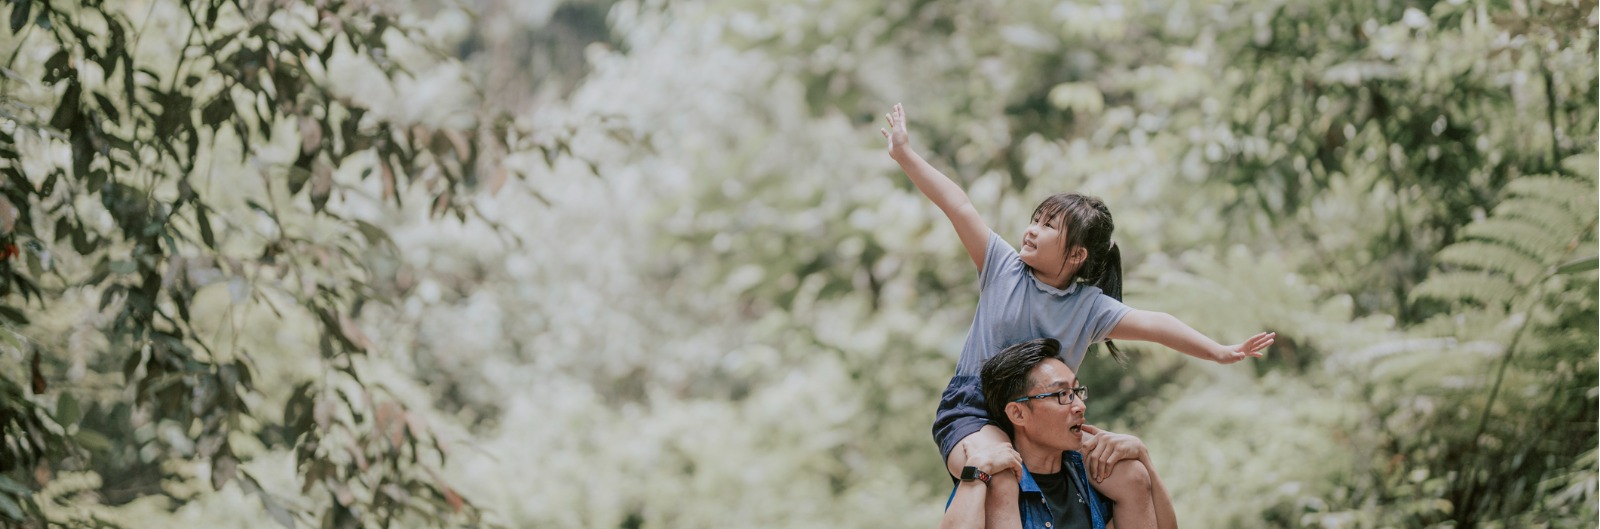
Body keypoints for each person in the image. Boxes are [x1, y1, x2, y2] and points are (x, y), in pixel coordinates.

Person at [880, 103, 1275, 527]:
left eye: (1048, 225)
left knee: (1126, 474)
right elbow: (959, 206)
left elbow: (1158, 325)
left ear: (1076, 255)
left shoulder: (1090, 307)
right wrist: (904, 153)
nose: (1031, 229)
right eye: (1035, 219)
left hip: (1047, 416)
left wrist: (1219, 351)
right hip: (975, 410)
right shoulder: (1002, 266)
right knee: (1003, 475)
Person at [941, 338, 1175, 529]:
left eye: (1076, 391)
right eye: (1061, 395)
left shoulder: (1098, 475)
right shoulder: (991, 481)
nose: (1080, 406)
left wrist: (1143, 458)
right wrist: (977, 472)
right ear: (1018, 414)